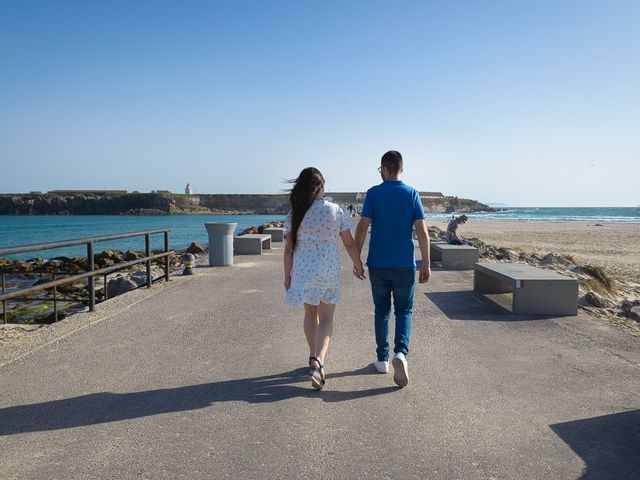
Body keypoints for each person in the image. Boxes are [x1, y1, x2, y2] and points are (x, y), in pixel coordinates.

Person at [284, 167, 365, 390]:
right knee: (327, 318)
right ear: (321, 186)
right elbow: (348, 243)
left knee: (310, 313)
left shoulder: (295, 214)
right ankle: (319, 360)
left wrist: (287, 276)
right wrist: (358, 265)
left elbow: (288, 250)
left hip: (303, 270)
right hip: (327, 270)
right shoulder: (335, 210)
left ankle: (312, 356)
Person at [354, 150, 431, 387]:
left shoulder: (374, 194)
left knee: (382, 311)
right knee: (404, 311)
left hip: (378, 263)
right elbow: (422, 230)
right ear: (401, 169)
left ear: (384, 169)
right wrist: (426, 263)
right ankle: (401, 353)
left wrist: (356, 258)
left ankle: (382, 360)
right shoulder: (411, 194)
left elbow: (363, 226)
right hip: (404, 264)